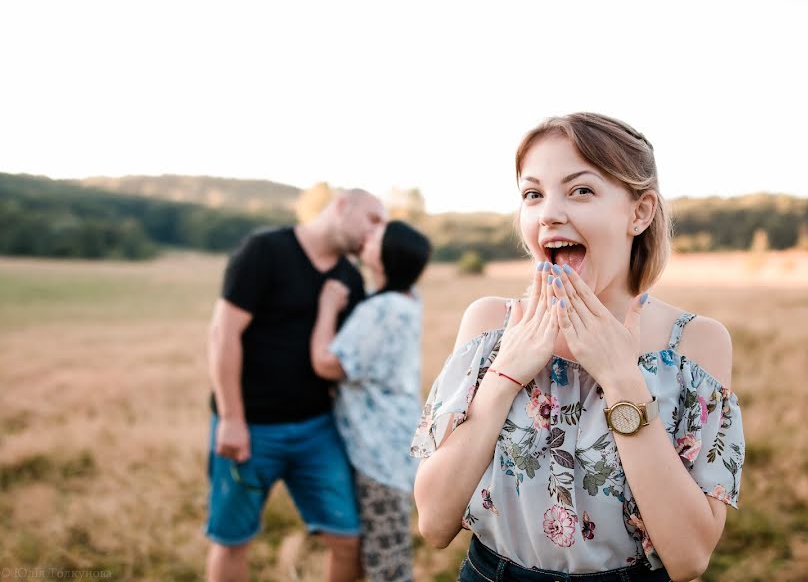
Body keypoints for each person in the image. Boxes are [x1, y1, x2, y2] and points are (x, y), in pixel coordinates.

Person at [411, 113, 745, 582]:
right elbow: (433, 524)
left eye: (580, 190)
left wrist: (620, 379)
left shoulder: (695, 344)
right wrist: (505, 374)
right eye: (533, 194)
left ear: (639, 212)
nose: (548, 213)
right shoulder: (489, 324)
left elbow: (689, 558)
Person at [205, 189, 386, 582]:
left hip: (318, 430)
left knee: (347, 540)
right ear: (340, 206)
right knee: (233, 540)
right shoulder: (265, 250)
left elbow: (348, 360)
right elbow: (223, 334)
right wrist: (232, 419)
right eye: (373, 219)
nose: (376, 233)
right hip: (250, 427)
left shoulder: (350, 279)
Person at [310, 220, 432, 582]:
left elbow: (326, 364)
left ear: (387, 255)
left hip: (380, 452)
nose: (368, 235)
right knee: (381, 552)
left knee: (387, 563)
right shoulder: (405, 299)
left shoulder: (383, 310)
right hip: (394, 442)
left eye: (378, 236)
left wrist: (327, 307)